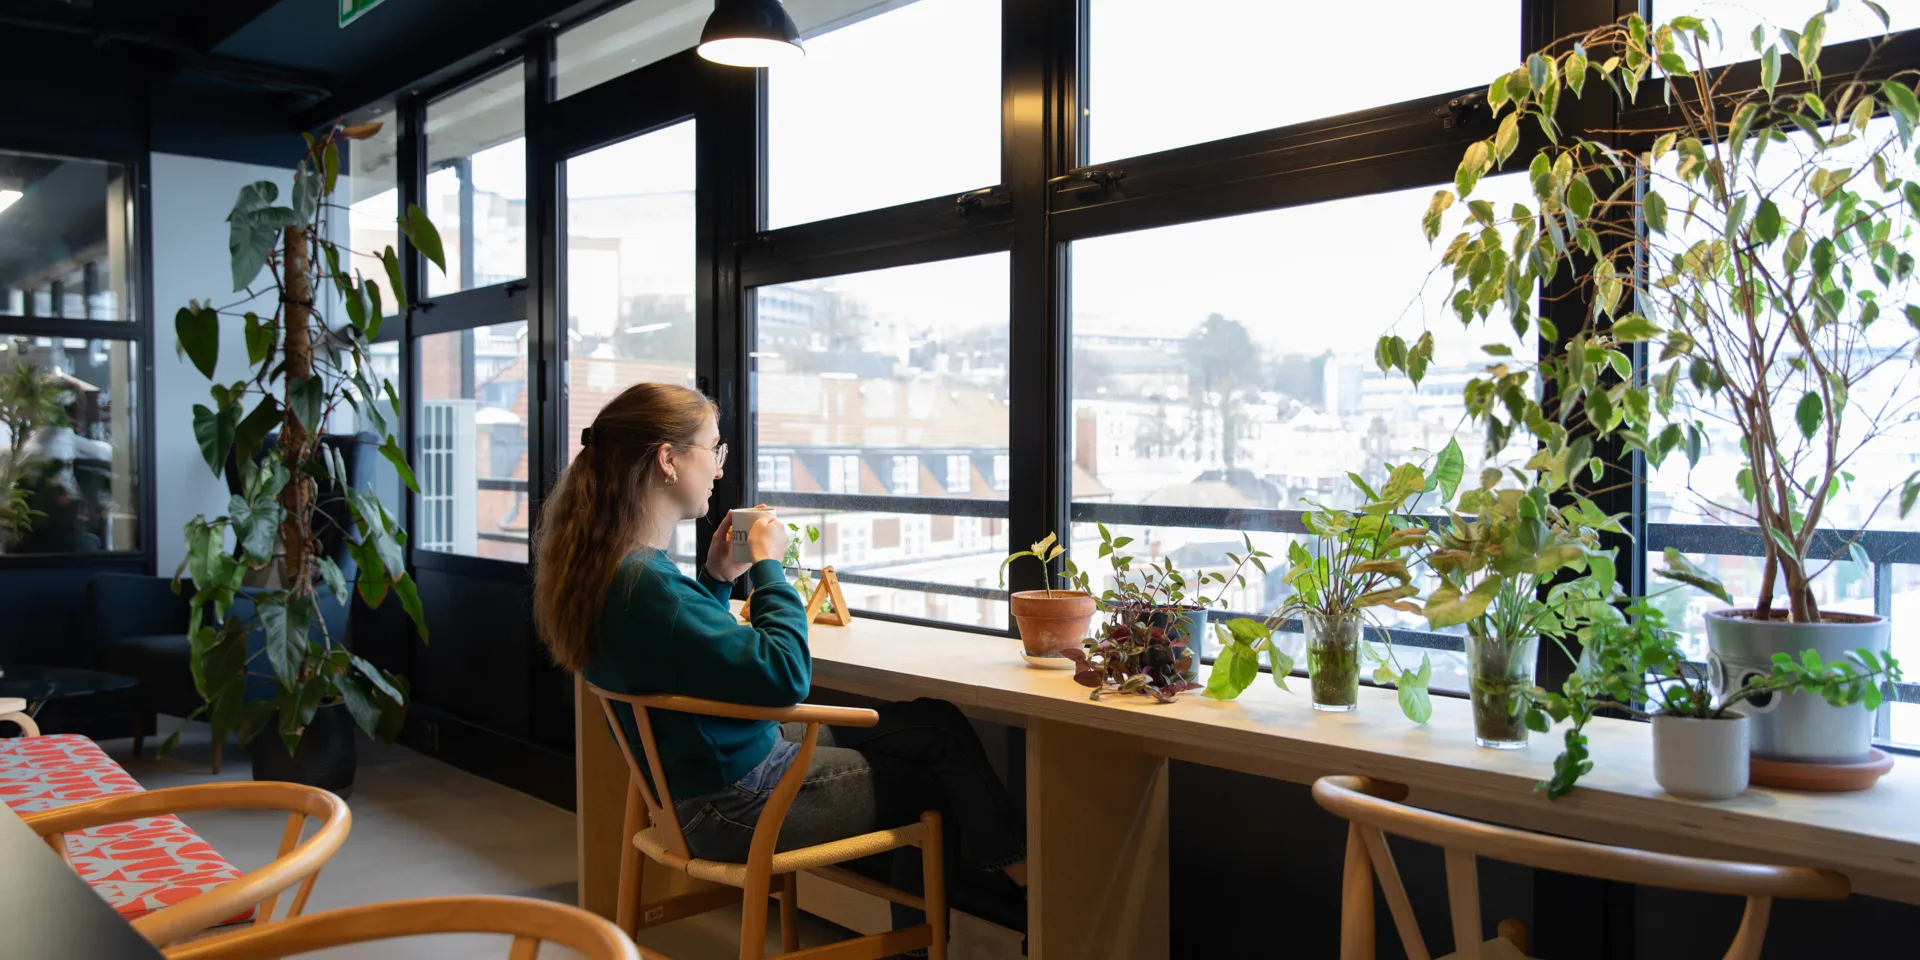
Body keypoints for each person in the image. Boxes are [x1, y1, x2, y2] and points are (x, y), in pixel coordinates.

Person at [532, 382, 1025, 948]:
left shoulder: (614, 570)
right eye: (714, 449)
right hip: (734, 804)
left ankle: (1026, 885)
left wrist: (717, 578)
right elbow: (786, 675)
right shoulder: (649, 584)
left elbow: (683, 657)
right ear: (668, 460)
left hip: (695, 786)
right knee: (933, 779)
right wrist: (770, 564)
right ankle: (976, 924)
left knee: (936, 724)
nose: (720, 468)